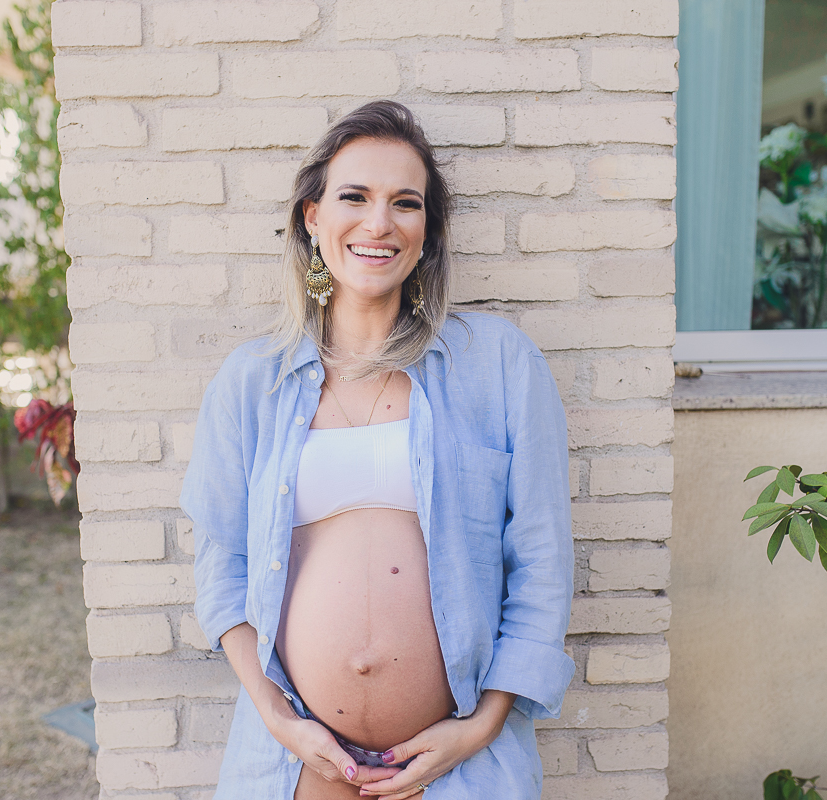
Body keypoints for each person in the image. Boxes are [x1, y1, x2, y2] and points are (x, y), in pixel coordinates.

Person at [180, 99, 574, 800]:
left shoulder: (500, 366)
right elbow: (223, 569)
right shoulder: (252, 381)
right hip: (299, 760)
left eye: (406, 203)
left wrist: (478, 728)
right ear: (313, 216)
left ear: (429, 231)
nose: (378, 222)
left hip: (456, 763)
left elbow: (541, 563)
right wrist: (278, 719)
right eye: (354, 196)